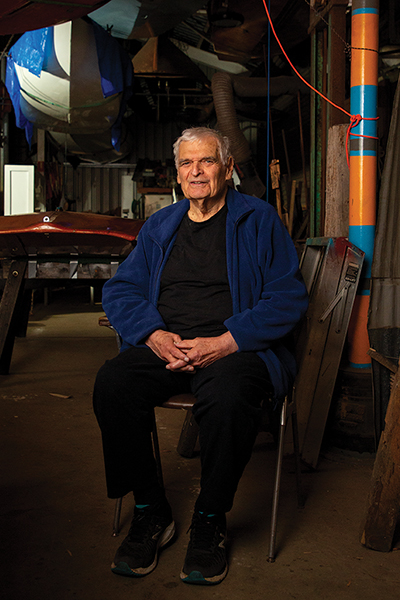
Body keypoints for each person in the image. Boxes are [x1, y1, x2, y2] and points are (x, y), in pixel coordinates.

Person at [93, 127, 308, 585]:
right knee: (113, 385)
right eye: (187, 163)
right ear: (177, 173)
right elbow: (122, 289)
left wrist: (227, 341)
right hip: (167, 345)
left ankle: (210, 518)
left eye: (206, 161)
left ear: (227, 168)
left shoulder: (258, 219)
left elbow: (288, 296)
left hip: (233, 349)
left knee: (230, 400)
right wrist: (152, 335)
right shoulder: (160, 226)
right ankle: (151, 510)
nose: (196, 172)